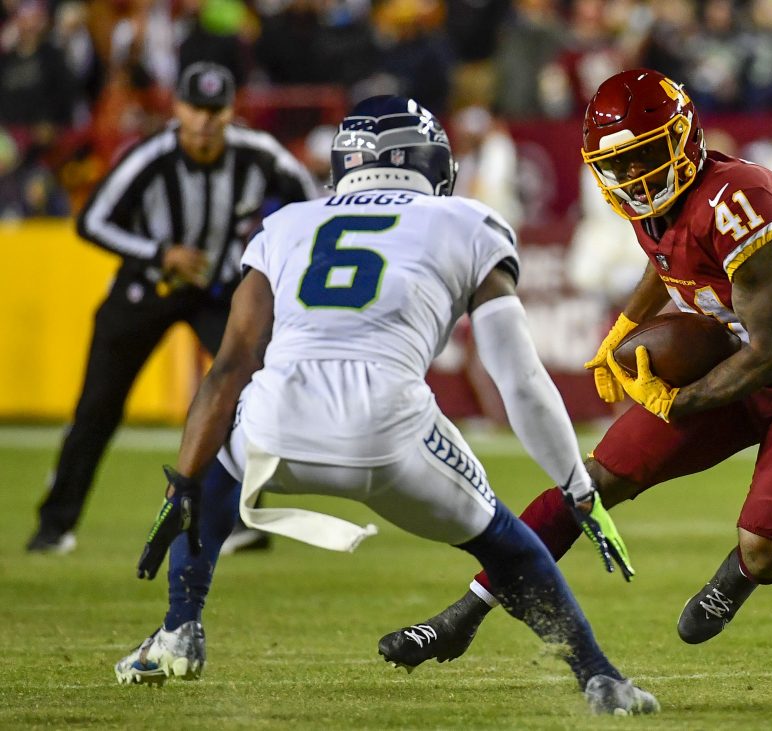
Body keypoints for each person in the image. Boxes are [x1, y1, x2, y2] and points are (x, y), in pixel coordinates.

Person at [112, 95, 660, 716]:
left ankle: (178, 630)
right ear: (429, 161)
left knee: (212, 479)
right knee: (507, 543)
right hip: (387, 426)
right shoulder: (468, 223)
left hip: (278, 418)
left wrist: (182, 485)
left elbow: (231, 368)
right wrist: (574, 486)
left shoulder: (287, 224)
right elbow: (519, 377)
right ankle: (600, 678)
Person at [378, 68, 772, 667]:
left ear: (684, 137)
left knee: (764, 548)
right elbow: (665, 260)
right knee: (589, 483)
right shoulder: (654, 205)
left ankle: (740, 574)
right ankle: (461, 616)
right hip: (728, 362)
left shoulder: (740, 202)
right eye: (623, 165)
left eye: (647, 158)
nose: (635, 179)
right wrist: (623, 328)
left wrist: (677, 401)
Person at [26, 61, 319, 554]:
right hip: (146, 289)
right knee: (97, 408)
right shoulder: (149, 157)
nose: (204, 120)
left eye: (215, 109)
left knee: (248, 396)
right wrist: (161, 254)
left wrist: (276, 256)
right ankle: (55, 524)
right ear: (177, 108)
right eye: (195, 108)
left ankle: (241, 519)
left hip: (217, 289)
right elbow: (92, 221)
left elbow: (311, 205)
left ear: (231, 111)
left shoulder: (258, 153)